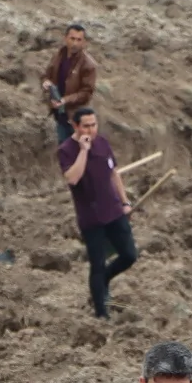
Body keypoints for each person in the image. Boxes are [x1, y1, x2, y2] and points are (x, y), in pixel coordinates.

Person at [57, 106, 134, 317]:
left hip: (113, 210)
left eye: (94, 125)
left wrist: (125, 202)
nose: (91, 130)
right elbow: (72, 178)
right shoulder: (66, 150)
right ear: (75, 126)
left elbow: (113, 174)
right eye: (86, 126)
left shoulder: (102, 143)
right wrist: (83, 150)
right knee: (97, 265)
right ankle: (101, 314)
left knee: (129, 255)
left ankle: (105, 281)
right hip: (91, 218)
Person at [39, 22, 98, 144]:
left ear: (84, 42)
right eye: (72, 39)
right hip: (59, 112)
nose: (75, 43)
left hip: (76, 116)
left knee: (80, 148)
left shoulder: (88, 64)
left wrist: (65, 100)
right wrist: (46, 83)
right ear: (66, 38)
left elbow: (86, 93)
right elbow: (46, 75)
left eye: (79, 40)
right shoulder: (58, 56)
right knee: (64, 148)